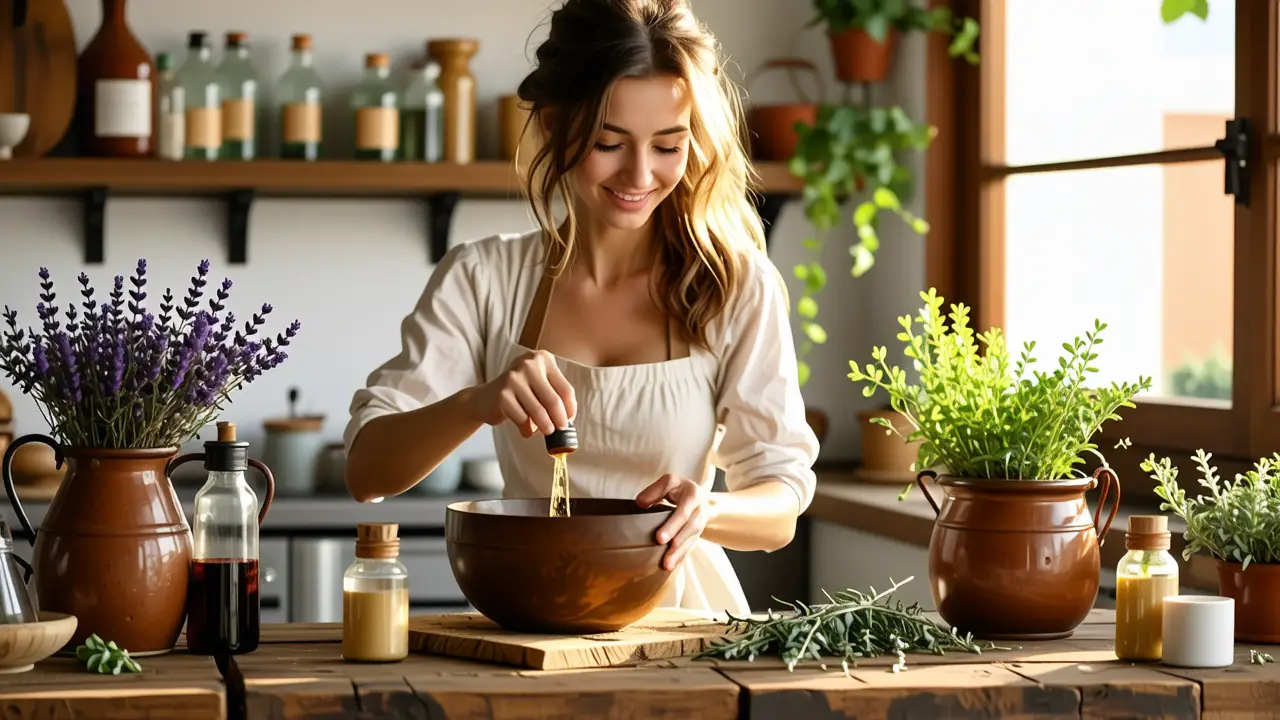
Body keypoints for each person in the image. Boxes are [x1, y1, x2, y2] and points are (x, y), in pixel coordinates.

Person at [343, 0, 819, 616]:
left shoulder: (732, 283)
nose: (640, 174)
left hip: (682, 621)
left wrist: (709, 506)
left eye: (669, 146)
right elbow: (366, 472)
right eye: (608, 142)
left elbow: (779, 503)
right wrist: (476, 402)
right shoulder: (484, 278)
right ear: (550, 124)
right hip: (531, 613)